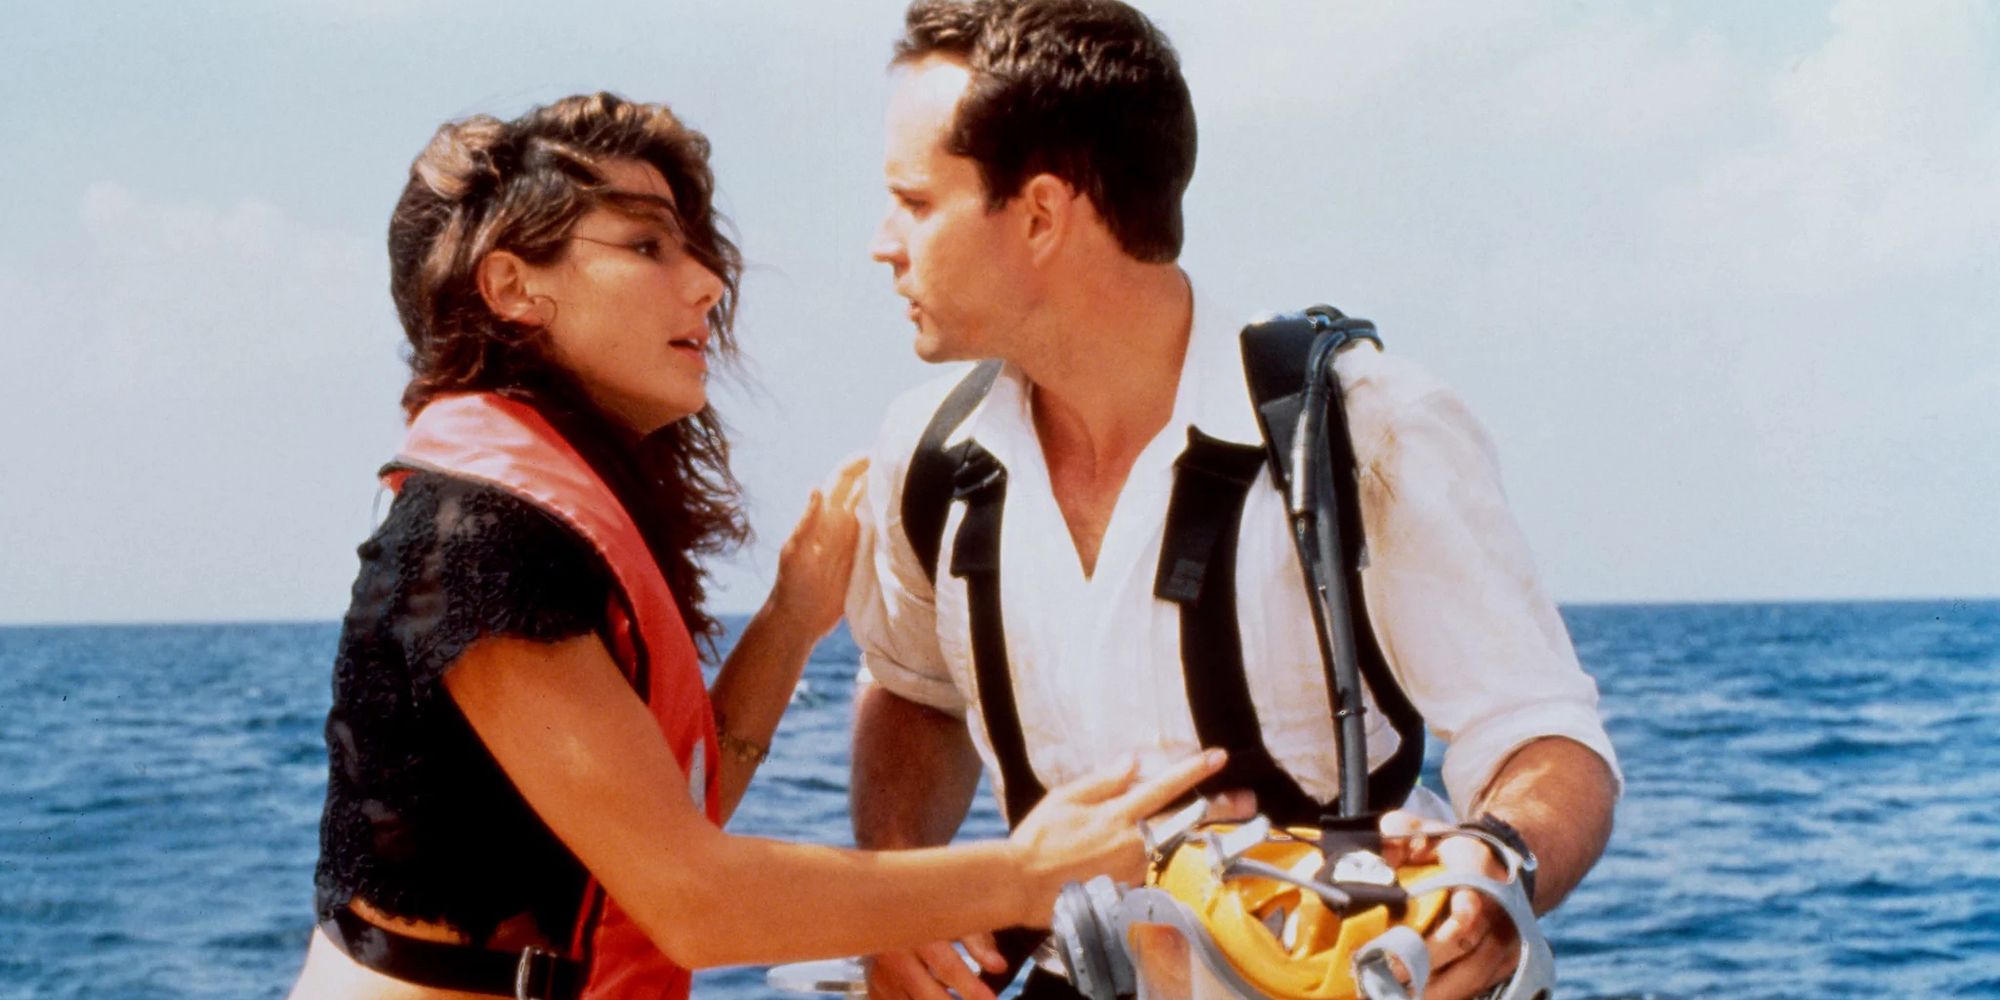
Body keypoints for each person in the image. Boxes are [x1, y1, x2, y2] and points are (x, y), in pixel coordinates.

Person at [286, 91, 1226, 1000]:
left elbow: (665, 817)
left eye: (693, 247)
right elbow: (693, 900)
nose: (706, 281)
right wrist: (1027, 872)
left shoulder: (527, 519)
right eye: (647, 244)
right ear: (512, 287)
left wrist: (788, 619)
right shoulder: (474, 541)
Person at [843, 3, 1624, 999]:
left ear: (1039, 214)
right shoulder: (925, 457)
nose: (881, 244)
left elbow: (1538, 733)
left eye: (912, 202)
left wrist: (1496, 865)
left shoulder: (1366, 429)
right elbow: (911, 690)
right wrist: (902, 892)